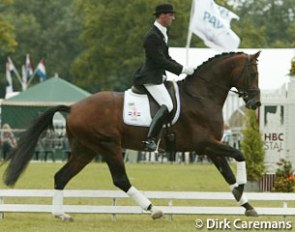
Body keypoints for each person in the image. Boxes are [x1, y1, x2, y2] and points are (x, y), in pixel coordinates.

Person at [133, 3, 195, 151]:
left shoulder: (161, 34)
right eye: (170, 15)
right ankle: (150, 140)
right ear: (162, 16)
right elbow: (160, 61)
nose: (173, 18)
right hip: (150, 77)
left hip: (158, 77)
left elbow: (167, 58)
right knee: (167, 105)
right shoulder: (152, 36)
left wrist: (184, 68)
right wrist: (183, 69)